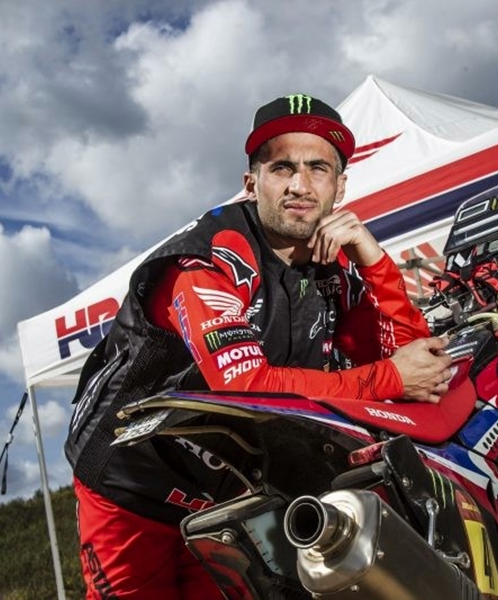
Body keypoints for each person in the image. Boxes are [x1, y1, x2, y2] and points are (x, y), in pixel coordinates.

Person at [65, 93, 455, 599]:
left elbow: (420, 364)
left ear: (340, 186)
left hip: (227, 496)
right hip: (131, 485)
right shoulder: (208, 258)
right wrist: (392, 377)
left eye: (318, 168)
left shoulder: (334, 265)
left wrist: (374, 261)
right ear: (252, 183)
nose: (299, 185)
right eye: (281, 167)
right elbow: (245, 386)